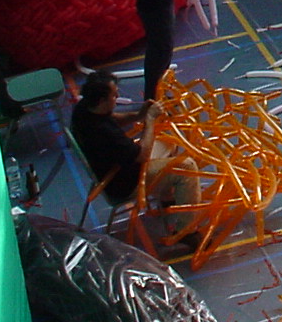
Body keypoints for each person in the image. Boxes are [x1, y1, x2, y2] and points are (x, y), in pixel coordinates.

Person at [70, 68, 201, 251]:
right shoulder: (104, 133)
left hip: (114, 168)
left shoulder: (85, 109)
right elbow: (142, 155)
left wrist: (139, 115)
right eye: (114, 96)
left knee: (169, 142)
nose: (117, 98)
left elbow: (113, 118)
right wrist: (150, 119)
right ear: (101, 100)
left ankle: (167, 198)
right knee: (187, 168)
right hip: (125, 183)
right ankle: (186, 232)